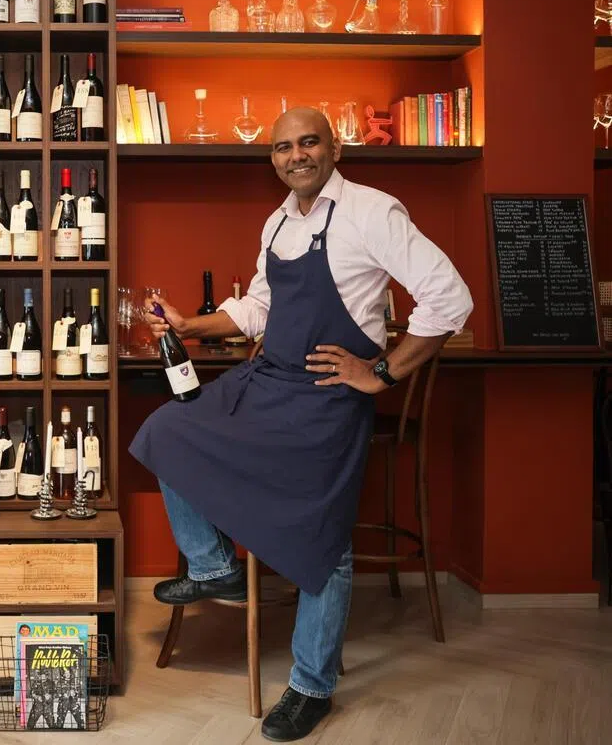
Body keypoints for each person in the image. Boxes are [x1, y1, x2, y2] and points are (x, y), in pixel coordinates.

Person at [129, 108, 473, 742]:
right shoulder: (280, 221)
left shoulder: (373, 211)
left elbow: (450, 297)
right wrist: (189, 326)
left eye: (309, 142)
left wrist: (382, 374)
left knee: (325, 543)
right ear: (273, 160)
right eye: (283, 147)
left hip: (326, 396)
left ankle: (312, 685)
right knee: (167, 431)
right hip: (268, 380)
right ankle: (213, 566)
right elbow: (260, 306)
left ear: (334, 148)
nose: (297, 155)